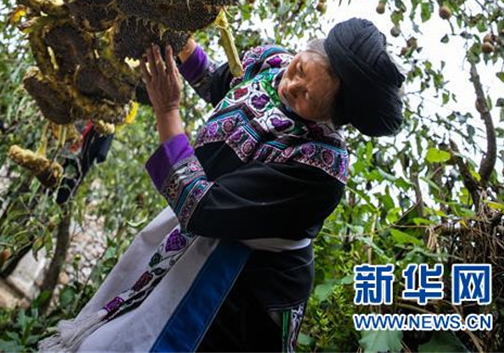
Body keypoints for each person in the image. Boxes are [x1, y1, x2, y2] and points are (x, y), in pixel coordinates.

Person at [41, 18, 405, 353]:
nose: (290, 85)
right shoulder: (271, 63)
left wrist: (167, 111)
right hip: (196, 231)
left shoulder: (319, 168)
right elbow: (222, 84)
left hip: (238, 294)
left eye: (305, 97)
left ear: (334, 117)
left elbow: (202, 207)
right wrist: (178, 40)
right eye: (299, 70)